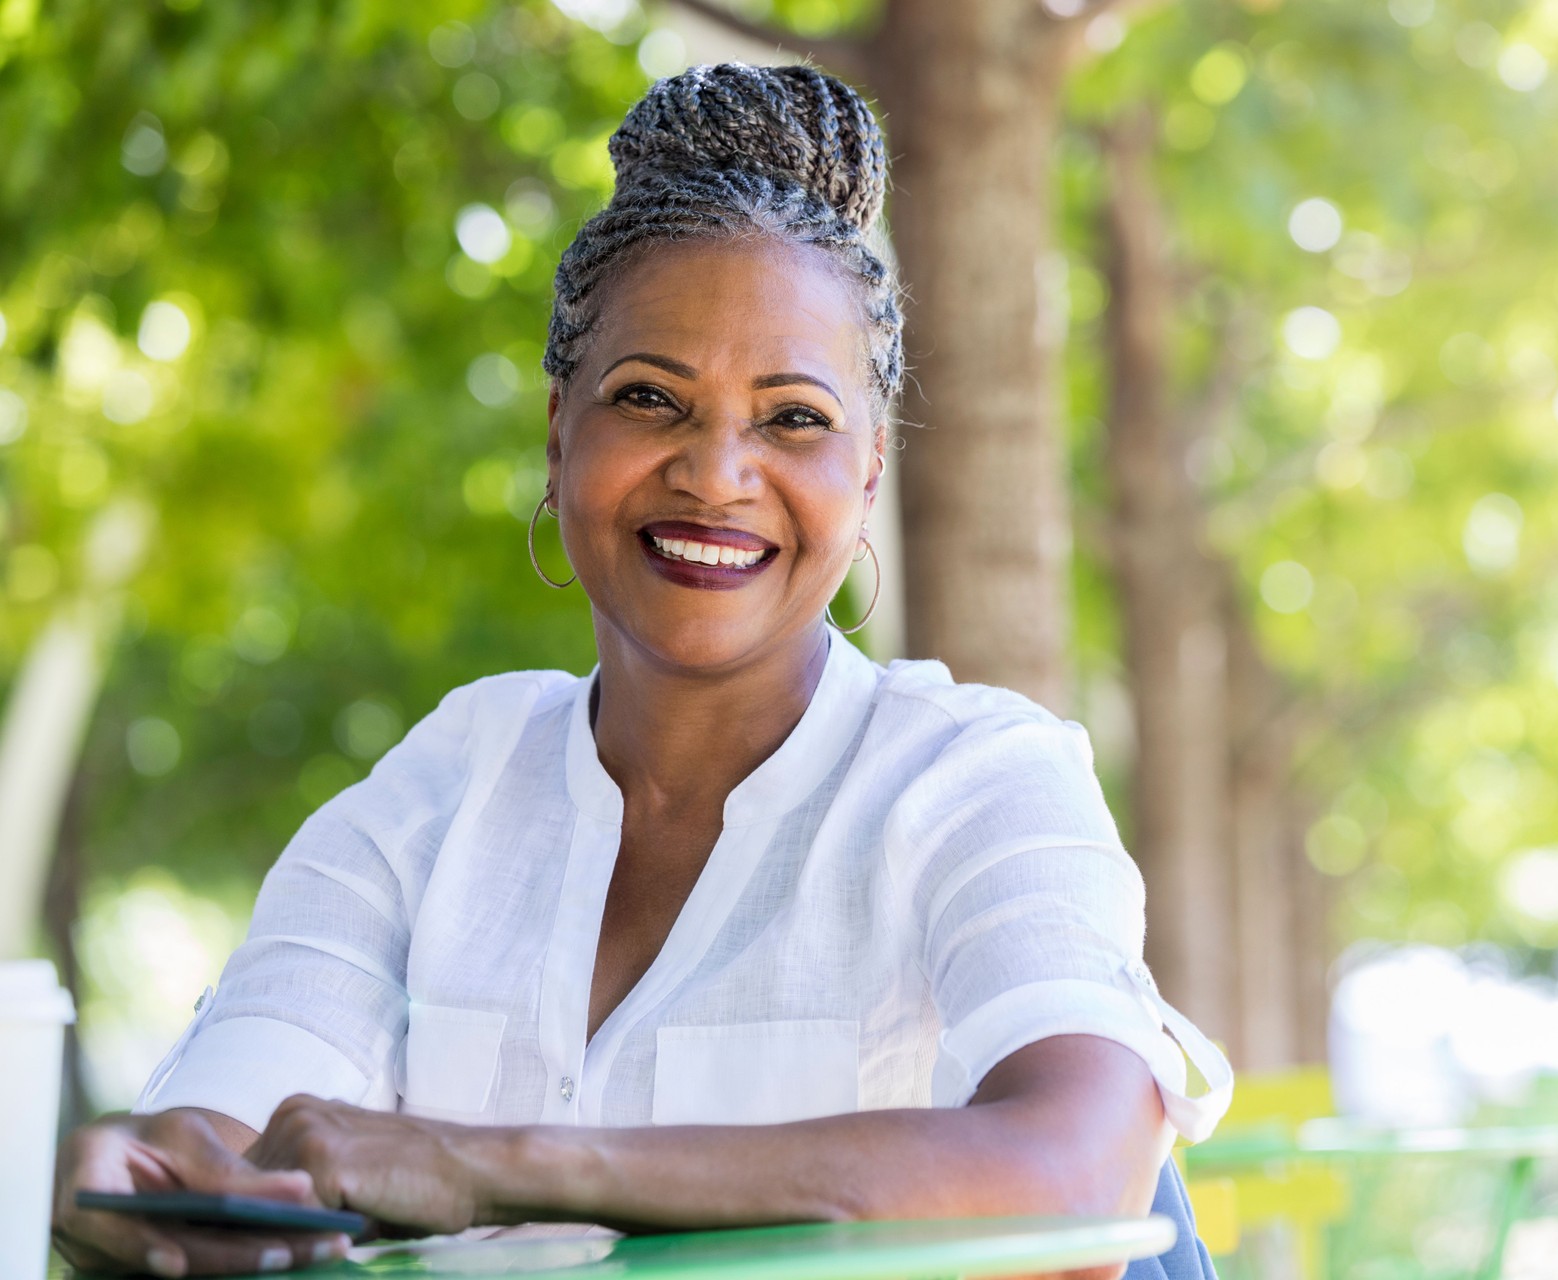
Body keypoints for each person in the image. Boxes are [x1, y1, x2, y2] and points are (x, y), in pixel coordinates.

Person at [52, 62, 1232, 1278]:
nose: (717, 472)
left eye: (793, 418)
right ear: (561, 435)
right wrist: (155, 1172)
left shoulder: (979, 777)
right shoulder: (444, 789)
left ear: (869, 469)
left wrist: (500, 1161)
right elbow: (230, 1109)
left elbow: (1080, 1175)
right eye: (651, 398)